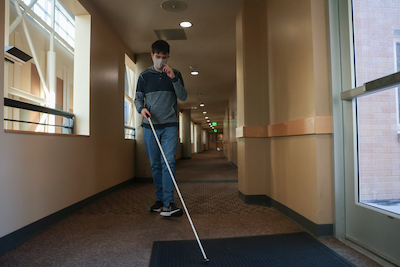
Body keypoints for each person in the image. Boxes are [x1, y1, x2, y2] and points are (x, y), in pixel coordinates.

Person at [134, 40, 187, 217]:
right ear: (152, 55)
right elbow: (137, 99)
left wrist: (173, 78)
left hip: (170, 126)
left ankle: (168, 202)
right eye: (158, 57)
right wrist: (141, 109)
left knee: (168, 163)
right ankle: (159, 199)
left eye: (164, 57)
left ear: (168, 57)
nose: (161, 60)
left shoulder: (175, 74)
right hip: (150, 127)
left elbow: (183, 96)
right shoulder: (143, 76)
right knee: (155, 165)